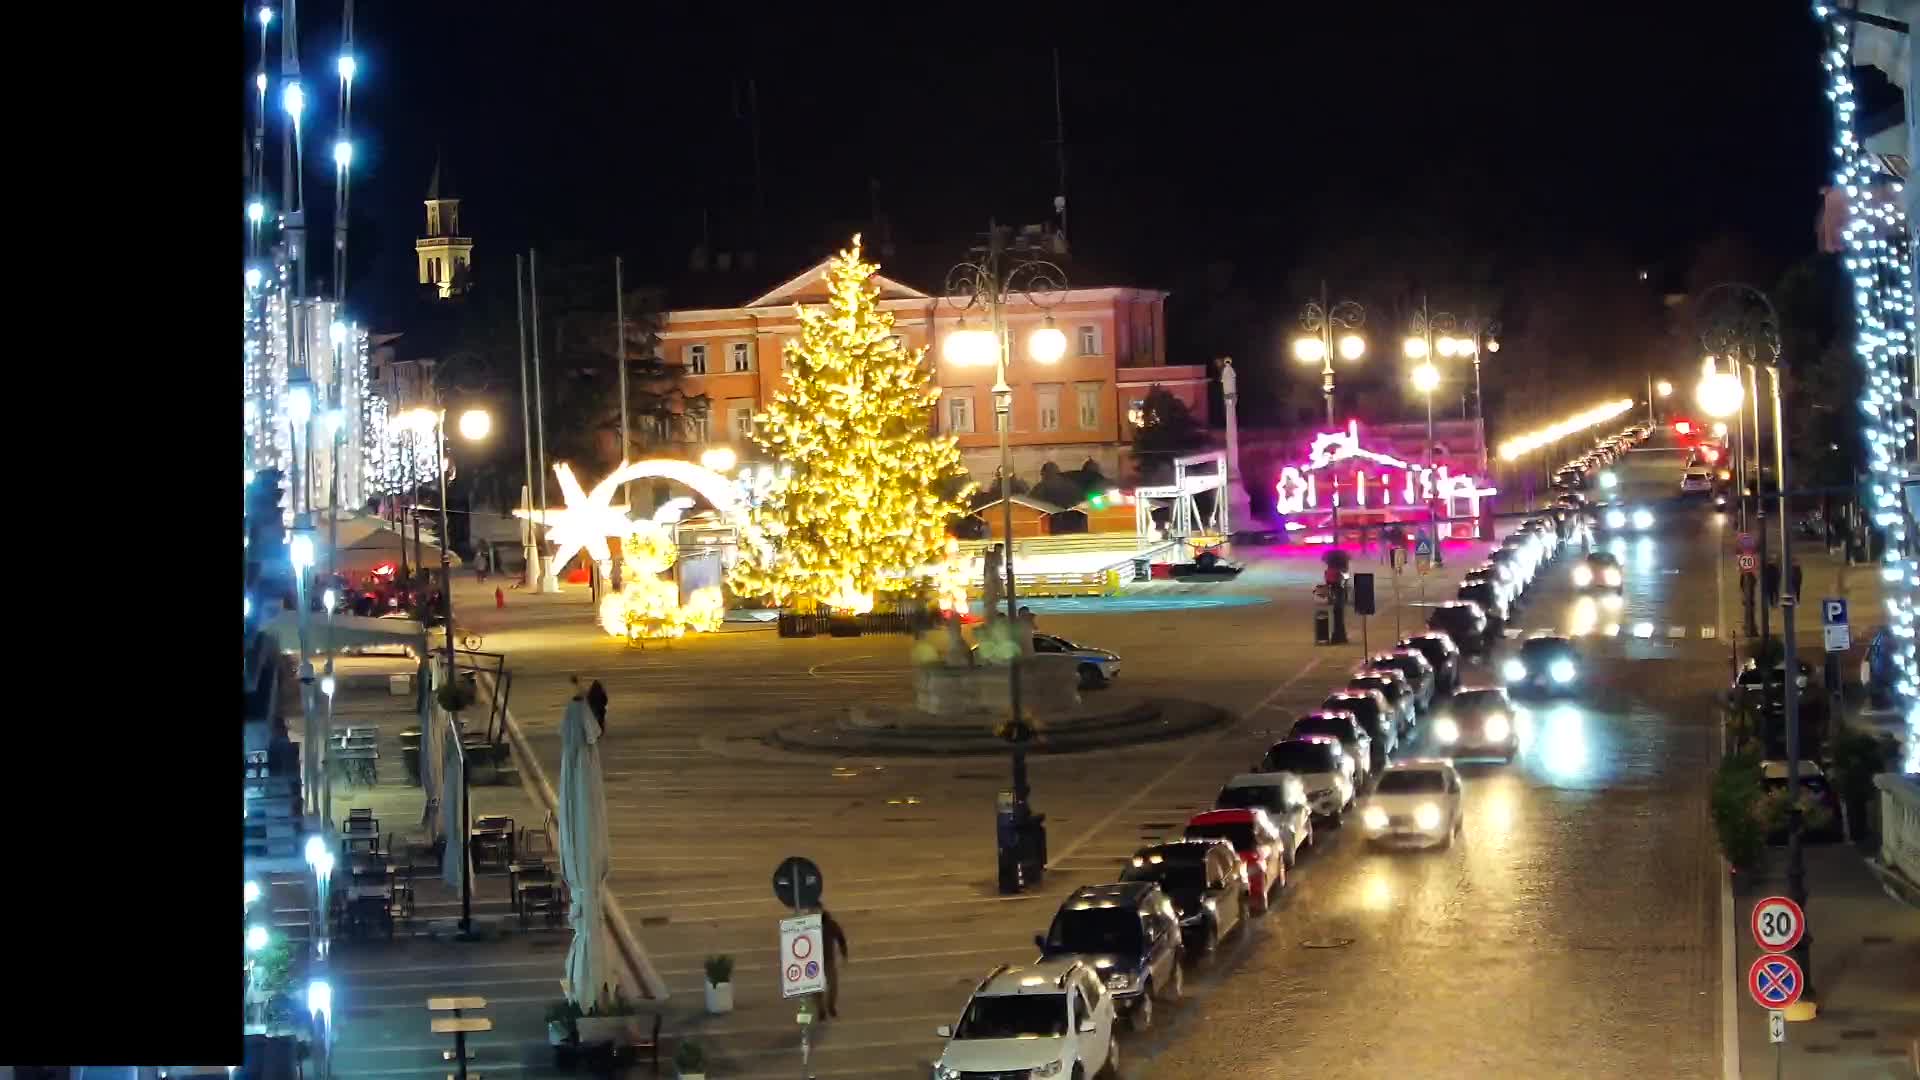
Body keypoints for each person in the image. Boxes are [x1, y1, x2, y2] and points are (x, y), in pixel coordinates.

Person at [818, 906, 850, 1019]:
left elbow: (840, 939)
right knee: (828, 986)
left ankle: (826, 1008)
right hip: (819, 961)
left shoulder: (829, 925)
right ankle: (824, 1009)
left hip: (822, 961)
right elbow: (841, 939)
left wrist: (844, 952)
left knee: (828, 986)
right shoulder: (830, 925)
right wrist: (844, 953)